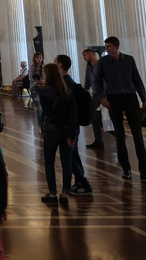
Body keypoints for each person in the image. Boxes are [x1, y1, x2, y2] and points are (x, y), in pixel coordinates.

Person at [97, 36, 146, 181]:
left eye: (109, 46)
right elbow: (97, 81)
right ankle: (126, 169)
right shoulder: (103, 62)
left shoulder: (129, 59)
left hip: (130, 97)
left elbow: (137, 79)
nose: (107, 49)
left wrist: (144, 99)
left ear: (117, 47)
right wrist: (102, 98)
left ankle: (144, 171)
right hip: (113, 99)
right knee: (120, 135)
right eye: (106, 47)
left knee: (138, 136)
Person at [55, 55, 94, 197]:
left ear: (60, 66)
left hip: (69, 125)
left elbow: (69, 108)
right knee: (73, 154)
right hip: (71, 125)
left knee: (70, 156)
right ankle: (79, 182)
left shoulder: (66, 84)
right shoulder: (68, 82)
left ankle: (83, 183)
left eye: (55, 62)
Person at [38, 63, 76, 206]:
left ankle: (53, 194)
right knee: (66, 163)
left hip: (52, 130)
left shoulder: (44, 91)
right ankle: (65, 194)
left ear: (48, 75)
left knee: (49, 162)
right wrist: (72, 133)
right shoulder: (68, 91)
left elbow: (47, 113)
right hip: (67, 130)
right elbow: (74, 115)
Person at [82, 48, 105, 148]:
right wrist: (84, 92)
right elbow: (87, 80)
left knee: (103, 118)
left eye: (85, 55)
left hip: (103, 94)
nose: (84, 58)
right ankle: (98, 140)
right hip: (95, 94)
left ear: (91, 53)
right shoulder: (89, 67)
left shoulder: (100, 65)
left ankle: (117, 136)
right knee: (95, 118)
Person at [28, 52, 45, 128]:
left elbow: (45, 77)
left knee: (44, 106)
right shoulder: (32, 67)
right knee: (39, 107)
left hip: (43, 88)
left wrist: (43, 81)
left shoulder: (44, 67)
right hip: (35, 88)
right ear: (34, 58)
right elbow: (31, 78)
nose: (39, 59)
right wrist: (38, 82)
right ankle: (40, 125)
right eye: (37, 57)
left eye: (40, 57)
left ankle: (44, 123)